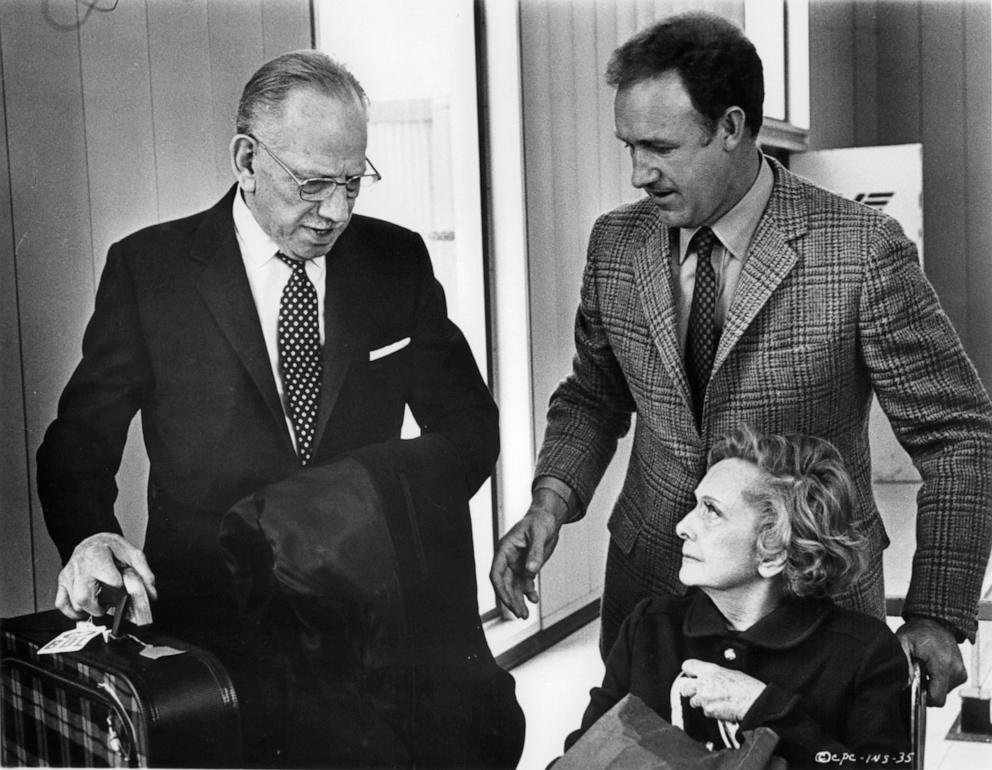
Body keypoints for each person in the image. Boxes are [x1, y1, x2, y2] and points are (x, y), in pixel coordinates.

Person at [491, 11, 992, 707]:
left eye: (659, 147)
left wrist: (938, 611)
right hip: (651, 597)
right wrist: (550, 502)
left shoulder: (861, 251)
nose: (638, 173)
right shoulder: (615, 244)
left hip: (812, 604)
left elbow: (959, 439)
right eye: (628, 146)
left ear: (730, 127)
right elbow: (592, 396)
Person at [37, 50, 510, 766]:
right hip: (210, 629)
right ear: (245, 157)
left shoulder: (396, 261)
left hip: (368, 632)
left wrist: (359, 505)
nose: (337, 213)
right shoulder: (152, 270)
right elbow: (79, 440)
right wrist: (90, 537)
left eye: (353, 183)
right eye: (314, 185)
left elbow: (471, 429)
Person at [560, 427, 912, 769]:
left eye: (711, 511)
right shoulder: (649, 626)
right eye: (695, 505)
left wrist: (763, 707)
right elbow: (582, 755)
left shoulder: (864, 653)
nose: (683, 525)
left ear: (773, 552)